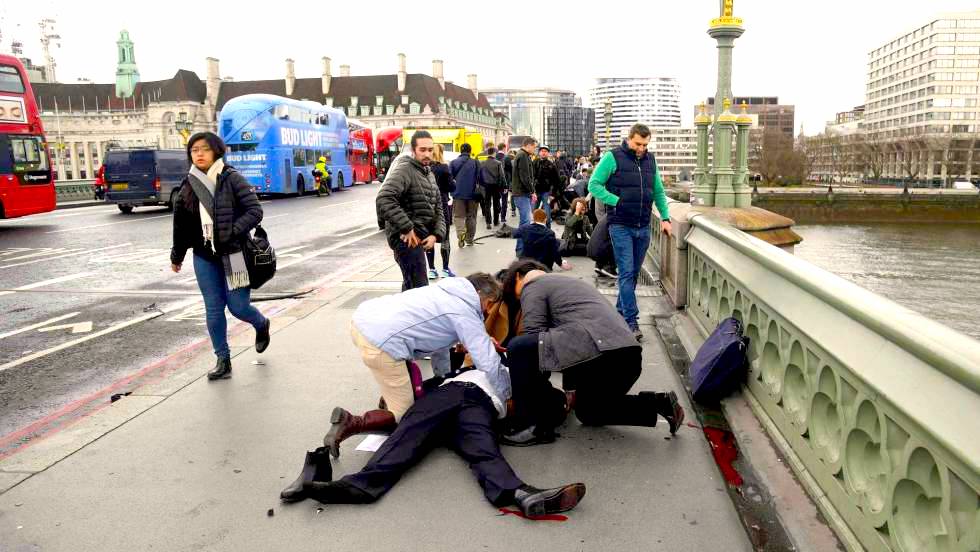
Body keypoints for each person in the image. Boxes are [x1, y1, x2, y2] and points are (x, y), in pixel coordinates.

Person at [281, 361, 587, 517]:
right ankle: (519, 494)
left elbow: (554, 402)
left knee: (414, 437)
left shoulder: (503, 369)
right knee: (478, 451)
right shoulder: (485, 369)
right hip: (471, 402)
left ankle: (360, 485)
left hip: (470, 402)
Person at [323, 273, 512, 458]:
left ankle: (389, 398)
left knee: (401, 381)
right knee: (406, 418)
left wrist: (445, 378)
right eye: (489, 304)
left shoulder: (449, 290)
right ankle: (351, 422)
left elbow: (436, 335)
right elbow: (487, 361)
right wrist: (507, 395)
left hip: (363, 321)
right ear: (480, 294)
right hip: (383, 342)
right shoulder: (464, 311)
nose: (488, 311)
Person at [501, 266, 684, 446]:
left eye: (517, 298)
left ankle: (532, 425)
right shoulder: (569, 287)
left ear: (518, 276)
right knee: (589, 411)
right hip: (626, 356)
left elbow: (535, 340)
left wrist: (535, 394)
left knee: (519, 347)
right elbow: (569, 343)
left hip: (603, 353)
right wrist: (568, 390)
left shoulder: (532, 284)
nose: (521, 303)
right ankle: (661, 404)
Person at [170, 132, 270, 381]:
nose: (199, 154)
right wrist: (177, 255)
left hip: (234, 252)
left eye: (204, 149)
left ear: (216, 151)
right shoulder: (188, 183)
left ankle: (261, 324)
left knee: (238, 307)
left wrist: (231, 231)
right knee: (213, 310)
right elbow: (180, 225)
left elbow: (254, 211)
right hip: (204, 255)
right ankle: (223, 359)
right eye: (194, 150)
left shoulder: (231, 178)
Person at [588, 124, 671, 341]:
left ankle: (618, 312)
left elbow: (659, 192)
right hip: (620, 225)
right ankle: (630, 321)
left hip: (643, 225)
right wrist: (617, 201)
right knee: (626, 272)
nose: (641, 149)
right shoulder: (612, 157)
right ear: (629, 139)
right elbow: (594, 185)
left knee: (633, 273)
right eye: (638, 144)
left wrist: (665, 218)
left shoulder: (650, 160)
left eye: (645, 144)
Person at [376, 130, 446, 292]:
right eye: (422, 150)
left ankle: (403, 316)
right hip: (406, 240)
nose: (427, 154)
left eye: (430, 149)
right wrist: (406, 227)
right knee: (419, 290)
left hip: (421, 239)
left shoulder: (429, 173)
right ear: (413, 150)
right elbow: (384, 198)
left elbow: (438, 208)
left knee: (412, 289)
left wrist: (435, 235)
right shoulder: (405, 169)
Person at [426, 144, 456, 279]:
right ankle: (445, 269)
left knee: (428, 237)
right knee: (445, 237)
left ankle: (431, 269)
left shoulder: (425, 168)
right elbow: (451, 186)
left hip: (427, 206)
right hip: (442, 204)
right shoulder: (444, 168)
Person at [450, 143, 482, 248]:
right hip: (473, 194)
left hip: (458, 194)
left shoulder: (453, 163)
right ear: (470, 151)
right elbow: (481, 178)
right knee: (471, 217)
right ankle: (469, 239)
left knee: (459, 216)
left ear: (460, 150)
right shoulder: (476, 162)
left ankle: (460, 235)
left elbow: (449, 179)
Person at [510, 138, 536, 228]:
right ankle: (522, 242)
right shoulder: (523, 156)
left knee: (524, 221)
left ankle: (521, 242)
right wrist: (532, 191)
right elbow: (525, 177)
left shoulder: (522, 155)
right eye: (534, 147)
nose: (534, 149)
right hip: (522, 194)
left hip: (521, 193)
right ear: (528, 146)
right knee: (526, 221)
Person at [532, 146, 560, 228]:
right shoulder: (534, 162)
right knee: (533, 210)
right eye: (542, 151)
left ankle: (548, 228)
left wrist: (553, 194)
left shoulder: (551, 165)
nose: (543, 152)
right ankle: (534, 227)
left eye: (545, 151)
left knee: (547, 211)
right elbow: (531, 176)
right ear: (539, 152)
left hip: (546, 192)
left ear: (548, 153)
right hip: (535, 191)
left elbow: (556, 181)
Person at [479, 146, 506, 229]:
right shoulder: (498, 163)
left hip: (485, 186)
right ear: (494, 153)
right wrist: (504, 186)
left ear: (487, 153)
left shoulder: (482, 163)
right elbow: (502, 176)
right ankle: (496, 221)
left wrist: (481, 184)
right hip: (495, 186)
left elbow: (479, 176)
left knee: (487, 204)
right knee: (496, 203)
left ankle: (488, 222)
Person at [495, 143, 509, 224]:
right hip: (504, 183)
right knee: (504, 200)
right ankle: (503, 217)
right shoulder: (506, 158)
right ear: (504, 148)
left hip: (495, 183)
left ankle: (497, 214)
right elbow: (509, 172)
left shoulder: (495, 157)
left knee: (496, 200)